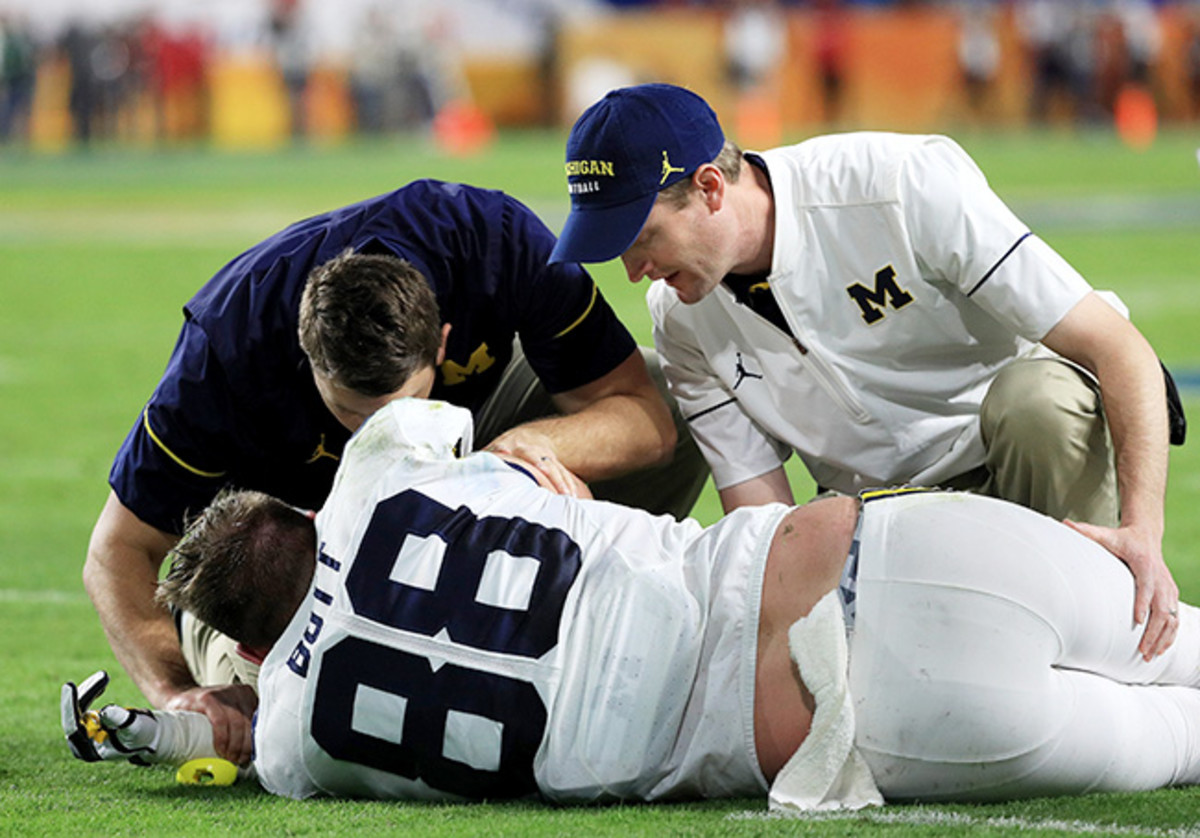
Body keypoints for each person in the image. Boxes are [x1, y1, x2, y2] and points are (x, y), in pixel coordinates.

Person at [64, 398, 1200, 809]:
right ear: (306, 519)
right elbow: (432, 423)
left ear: (255, 646)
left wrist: (182, 714)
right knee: (1177, 641)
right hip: (869, 545)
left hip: (837, 716)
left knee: (1180, 740)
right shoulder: (378, 475)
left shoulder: (302, 740)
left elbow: (252, 731)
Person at [547, 82, 1187, 664]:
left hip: (1018, 456)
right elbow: (761, 517)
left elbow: (1117, 347)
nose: (634, 271)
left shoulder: (897, 183)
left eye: (640, 238)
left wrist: (1142, 531)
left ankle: (1099, 618)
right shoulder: (680, 321)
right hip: (885, 520)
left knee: (1037, 401)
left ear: (711, 187)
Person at [83, 178, 708, 769]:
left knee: (680, 403)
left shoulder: (493, 241)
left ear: (442, 342)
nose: (383, 440)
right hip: (309, 534)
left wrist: (516, 457)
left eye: (402, 409)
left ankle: (578, 619)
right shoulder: (225, 356)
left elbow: (647, 420)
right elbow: (116, 553)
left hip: (478, 434)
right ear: (307, 359)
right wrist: (174, 692)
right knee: (285, 704)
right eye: (354, 415)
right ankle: (226, 650)